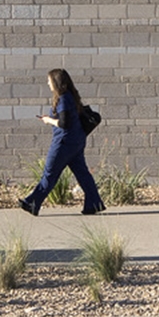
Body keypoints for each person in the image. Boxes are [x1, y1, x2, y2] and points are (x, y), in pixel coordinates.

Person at [18, 68, 105, 217]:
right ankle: (93, 203)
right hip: (76, 142)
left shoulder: (63, 98)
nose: (47, 83)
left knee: (50, 173)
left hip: (64, 143)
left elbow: (64, 123)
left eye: (49, 80)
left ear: (56, 82)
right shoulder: (71, 96)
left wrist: (48, 120)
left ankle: (33, 203)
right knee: (82, 174)